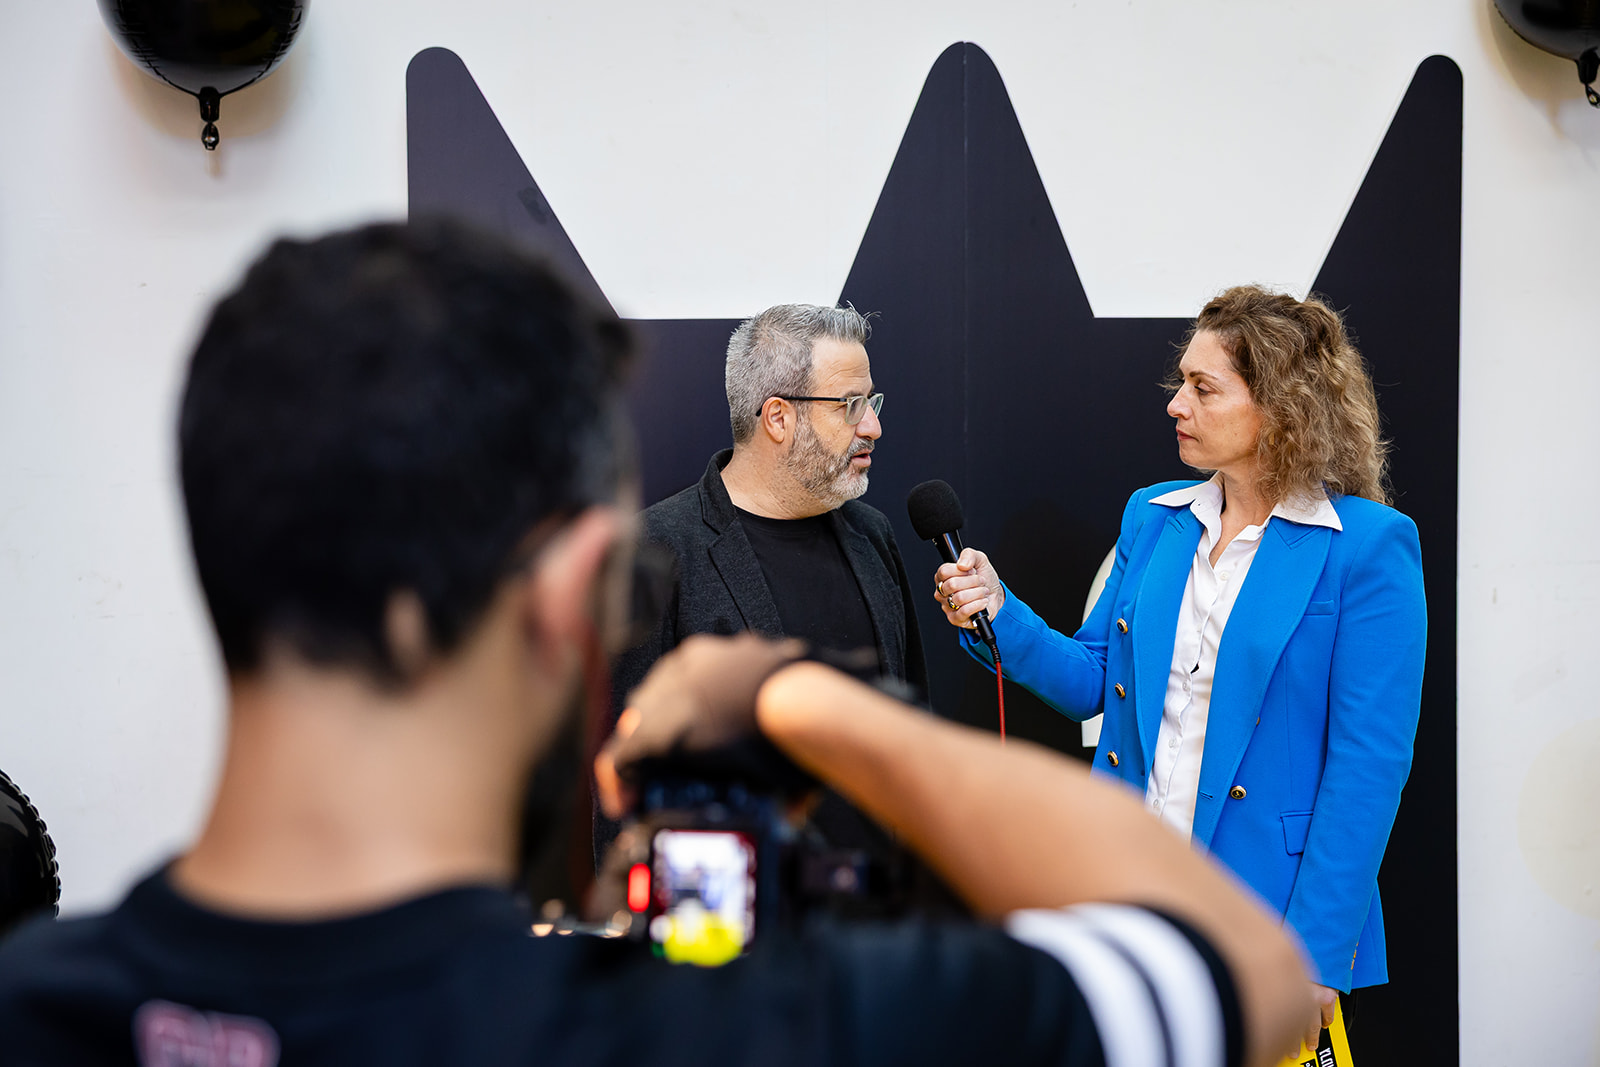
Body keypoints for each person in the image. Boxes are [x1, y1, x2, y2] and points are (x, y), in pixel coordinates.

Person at [0, 222, 1312, 1067]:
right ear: (581, 586)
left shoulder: (33, 1001)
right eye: (852, 402)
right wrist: (805, 703)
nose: (874, 425)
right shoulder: (722, 1026)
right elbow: (1257, 972)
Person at [933, 285, 1427, 1051]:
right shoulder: (1154, 515)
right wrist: (1001, 611)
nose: (1176, 403)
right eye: (1180, 382)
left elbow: (1368, 767)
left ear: (1282, 405)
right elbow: (1095, 678)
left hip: (1267, 919)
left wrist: (1316, 954)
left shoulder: (1367, 545)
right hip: (1127, 896)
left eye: (1203, 387)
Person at [602, 304, 928, 858]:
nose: (872, 426)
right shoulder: (658, 548)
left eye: (871, 403)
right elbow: (622, 777)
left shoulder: (873, 535)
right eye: (850, 405)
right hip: (733, 904)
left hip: (879, 902)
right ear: (778, 418)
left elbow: (913, 729)